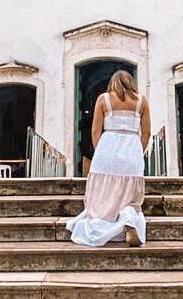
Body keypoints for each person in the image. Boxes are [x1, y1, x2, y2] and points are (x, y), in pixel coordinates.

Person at [66, 70, 150, 247]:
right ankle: (128, 218)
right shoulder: (141, 101)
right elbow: (146, 132)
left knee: (102, 193)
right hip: (131, 147)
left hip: (108, 146)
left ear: (112, 82)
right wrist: (137, 151)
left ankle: (104, 222)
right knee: (130, 196)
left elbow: (96, 130)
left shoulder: (103, 99)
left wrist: (101, 151)